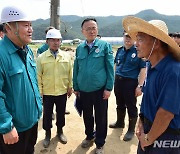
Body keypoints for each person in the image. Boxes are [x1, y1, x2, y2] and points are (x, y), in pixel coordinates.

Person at [123, 16, 180, 153]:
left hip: (165, 137)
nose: (136, 44)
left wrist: (148, 139)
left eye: (141, 39)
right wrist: (141, 122)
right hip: (149, 130)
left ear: (157, 42)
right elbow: (148, 97)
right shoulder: (151, 64)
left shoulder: (173, 70)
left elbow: (166, 114)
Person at [0, 5, 42, 154]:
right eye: (25, 25)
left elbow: (32, 81)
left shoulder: (27, 49)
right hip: (14, 129)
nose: (30, 29)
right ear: (9, 28)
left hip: (31, 121)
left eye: (31, 25)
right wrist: (6, 126)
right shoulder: (1, 54)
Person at [73, 18, 114, 154]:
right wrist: (76, 87)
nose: (92, 31)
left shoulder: (104, 46)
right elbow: (76, 68)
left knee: (101, 117)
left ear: (97, 29)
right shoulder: (79, 48)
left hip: (100, 90)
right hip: (84, 90)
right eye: (88, 28)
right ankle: (89, 136)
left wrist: (108, 88)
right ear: (82, 31)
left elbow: (110, 68)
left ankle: (100, 143)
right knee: (87, 116)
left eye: (94, 28)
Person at [37, 28, 73, 148]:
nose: (56, 43)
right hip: (47, 92)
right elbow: (38, 76)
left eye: (58, 40)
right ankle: (47, 134)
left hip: (62, 91)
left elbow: (70, 73)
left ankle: (60, 132)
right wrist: (40, 92)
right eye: (52, 40)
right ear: (47, 42)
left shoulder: (66, 56)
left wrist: (70, 87)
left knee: (61, 113)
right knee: (47, 115)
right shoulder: (41, 58)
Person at [109, 31, 146, 141]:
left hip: (130, 82)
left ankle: (130, 129)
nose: (128, 39)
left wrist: (140, 86)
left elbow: (143, 69)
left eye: (130, 37)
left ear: (134, 39)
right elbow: (116, 65)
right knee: (119, 103)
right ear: (123, 37)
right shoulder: (120, 50)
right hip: (119, 81)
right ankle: (120, 122)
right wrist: (115, 78)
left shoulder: (138, 51)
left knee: (131, 105)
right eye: (126, 37)